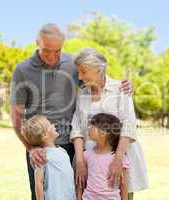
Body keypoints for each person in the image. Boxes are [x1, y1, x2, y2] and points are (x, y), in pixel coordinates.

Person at [10, 23, 133, 200]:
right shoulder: (22, 70)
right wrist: (30, 148)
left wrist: (124, 85)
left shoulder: (72, 65)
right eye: (47, 51)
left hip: (71, 145)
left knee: (74, 193)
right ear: (37, 42)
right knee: (41, 193)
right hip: (40, 148)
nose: (52, 57)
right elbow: (16, 116)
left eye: (57, 51)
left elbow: (97, 79)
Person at [70, 48, 149, 200]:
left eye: (83, 71)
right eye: (78, 72)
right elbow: (77, 129)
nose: (79, 77)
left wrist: (118, 159)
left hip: (118, 157)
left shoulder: (120, 88)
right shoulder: (82, 94)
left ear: (99, 69)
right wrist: (80, 161)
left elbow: (128, 125)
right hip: (89, 162)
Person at [22, 115, 76, 200]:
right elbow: (38, 183)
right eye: (49, 125)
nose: (53, 125)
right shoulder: (41, 156)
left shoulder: (62, 151)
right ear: (45, 136)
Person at [77, 113, 129, 200]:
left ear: (103, 133)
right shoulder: (86, 155)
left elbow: (123, 184)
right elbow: (81, 183)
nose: (89, 129)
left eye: (92, 127)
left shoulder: (119, 159)